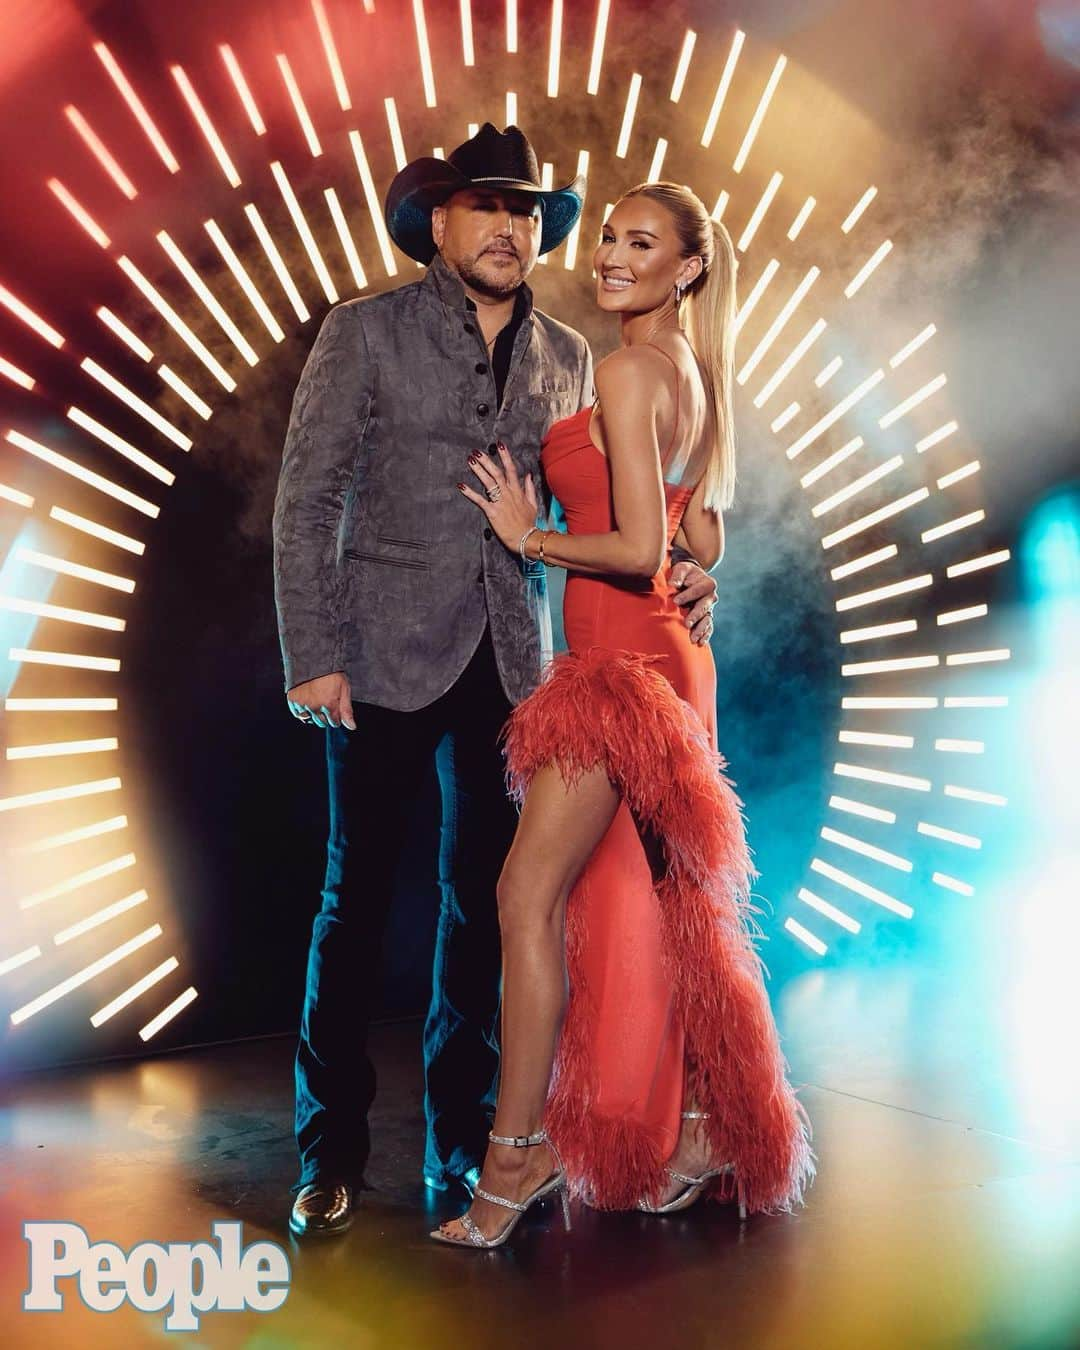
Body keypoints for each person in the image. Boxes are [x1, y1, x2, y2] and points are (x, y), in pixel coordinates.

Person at [273, 127, 719, 1238]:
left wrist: (696, 562)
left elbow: (627, 496)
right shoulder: (362, 333)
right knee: (353, 904)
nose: (511, 229)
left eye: (526, 214)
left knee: (489, 907)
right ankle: (328, 1156)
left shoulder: (572, 350)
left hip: (518, 667)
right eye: (487, 209)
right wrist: (313, 653)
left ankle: (473, 1139)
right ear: (438, 224)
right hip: (375, 655)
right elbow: (306, 498)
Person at [433, 182, 815, 1249]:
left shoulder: (629, 367)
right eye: (607, 236)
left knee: (526, 896)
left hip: (619, 675)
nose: (609, 255)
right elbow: (704, 537)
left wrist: (529, 534)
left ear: (685, 268)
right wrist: (703, 576)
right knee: (665, 906)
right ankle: (703, 1129)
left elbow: (643, 546)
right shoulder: (692, 371)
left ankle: (515, 1161)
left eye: (640, 243)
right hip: (666, 661)